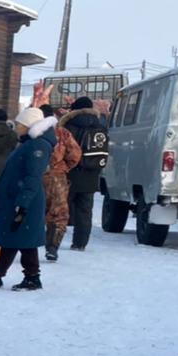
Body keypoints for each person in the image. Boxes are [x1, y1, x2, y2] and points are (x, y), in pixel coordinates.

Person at [0, 107, 56, 292]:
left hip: (25, 200)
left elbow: (33, 176)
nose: (16, 127)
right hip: (16, 199)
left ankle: (29, 277)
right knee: (14, 238)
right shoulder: (29, 143)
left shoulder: (38, 146)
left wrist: (23, 202)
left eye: (19, 124)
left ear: (28, 126)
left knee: (21, 239)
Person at [61, 96, 105, 251]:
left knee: (61, 208)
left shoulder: (69, 125)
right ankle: (80, 243)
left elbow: (62, 148)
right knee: (85, 211)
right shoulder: (100, 125)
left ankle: (54, 241)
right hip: (91, 173)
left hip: (69, 172)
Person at [40, 104, 82, 261]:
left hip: (35, 175)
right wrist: (64, 167)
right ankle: (52, 247)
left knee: (29, 210)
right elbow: (75, 154)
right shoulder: (62, 133)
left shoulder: (31, 132)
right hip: (57, 177)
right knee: (58, 213)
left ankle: (22, 244)